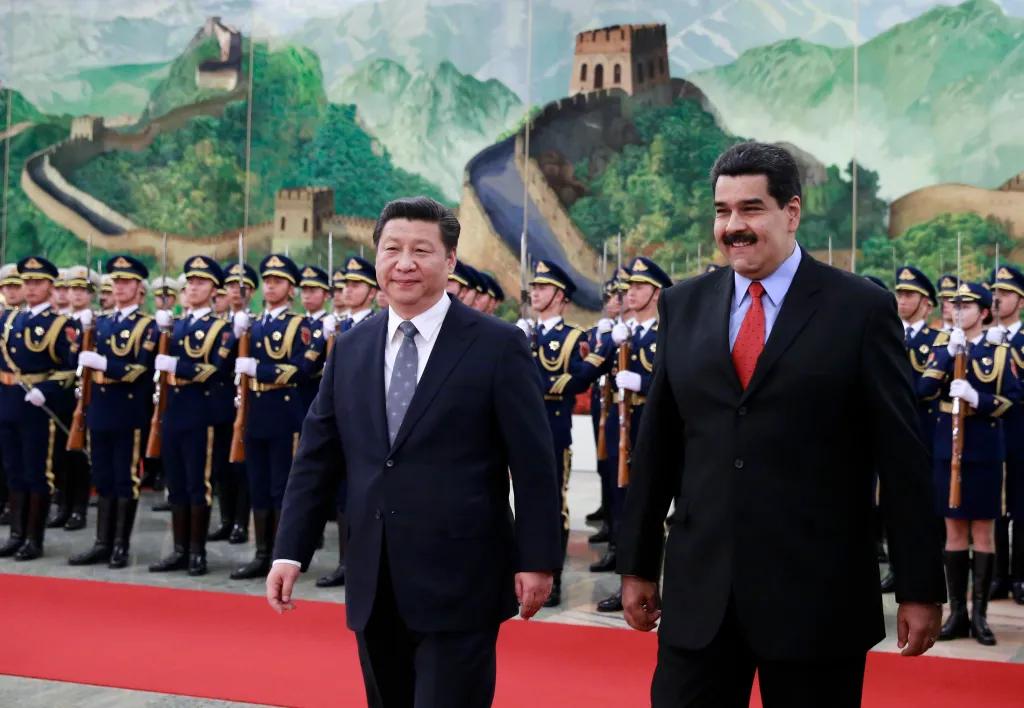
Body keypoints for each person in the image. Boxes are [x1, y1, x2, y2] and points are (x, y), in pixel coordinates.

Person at [616, 142, 946, 708]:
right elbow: (660, 447)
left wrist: (919, 587)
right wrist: (638, 564)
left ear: (791, 213)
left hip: (816, 598)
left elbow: (902, 456)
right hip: (701, 597)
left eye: (751, 209)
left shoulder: (860, 309)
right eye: (722, 211)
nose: (733, 227)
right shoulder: (683, 306)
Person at [268, 196, 563, 708]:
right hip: (374, 577)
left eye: (421, 250)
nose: (404, 263)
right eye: (392, 249)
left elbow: (534, 464)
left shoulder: (496, 345)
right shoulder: (352, 347)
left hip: (462, 578)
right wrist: (291, 548)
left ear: (450, 261)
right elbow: (317, 457)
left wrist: (538, 559)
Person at [918, 281, 1021, 645]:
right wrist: (948, 355)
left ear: (984, 311)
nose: (958, 310)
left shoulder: (1001, 353)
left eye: (966, 305)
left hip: (985, 450)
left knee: (983, 531)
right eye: (954, 305)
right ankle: (956, 613)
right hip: (950, 448)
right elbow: (923, 390)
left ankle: (980, 615)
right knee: (954, 531)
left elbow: (1012, 401)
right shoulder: (942, 346)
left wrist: (978, 398)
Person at [69, 255, 159, 569]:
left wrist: (103, 364)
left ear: (139, 287)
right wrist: (82, 337)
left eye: (126, 281)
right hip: (99, 409)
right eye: (116, 281)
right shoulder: (101, 322)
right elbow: (76, 361)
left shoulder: (148, 327)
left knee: (125, 479)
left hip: (128, 410)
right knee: (103, 478)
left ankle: (120, 545)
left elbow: (139, 369)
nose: (119, 287)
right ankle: (101, 543)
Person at [230, 254, 314, 581]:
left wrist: (259, 370)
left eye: (277, 281)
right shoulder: (252, 324)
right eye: (267, 280)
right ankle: (261, 553)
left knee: (283, 487)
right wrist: (236, 335)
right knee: (259, 485)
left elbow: (301, 369)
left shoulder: (299, 325)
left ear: (290, 287)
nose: (270, 286)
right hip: (256, 412)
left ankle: (282, 555)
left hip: (284, 413)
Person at [149, 256, 234, 576]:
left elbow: (215, 369)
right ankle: (179, 549)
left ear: (214, 289)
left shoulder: (221, 328)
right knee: (177, 484)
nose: (194, 287)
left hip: (202, 412)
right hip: (175, 411)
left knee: (199, 484)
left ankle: (197, 552)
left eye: (201, 282)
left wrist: (177, 366)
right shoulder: (176, 325)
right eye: (191, 281)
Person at [0, 256, 79, 561]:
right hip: (8, 402)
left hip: (37, 407)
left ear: (50, 285)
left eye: (38, 282)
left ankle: (34, 538)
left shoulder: (61, 325)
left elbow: (70, 369)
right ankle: (16, 534)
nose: (31, 288)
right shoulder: (9, 320)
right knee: (13, 472)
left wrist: (44, 390)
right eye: (27, 282)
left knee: (37, 472)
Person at [987, 265, 1024, 605]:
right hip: (992, 433)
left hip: (1022, 432)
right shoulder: (983, 338)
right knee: (996, 504)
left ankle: (1020, 574)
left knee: (1022, 505)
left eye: (1007, 293)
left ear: (1021, 301)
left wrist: (1007, 352)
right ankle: (998, 574)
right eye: (995, 292)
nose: (998, 299)